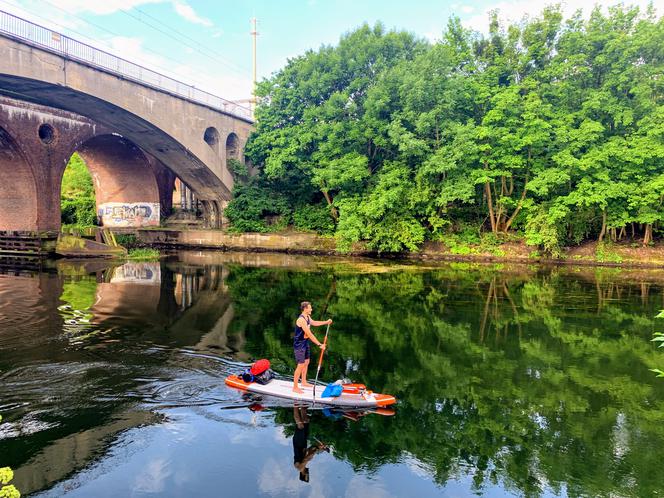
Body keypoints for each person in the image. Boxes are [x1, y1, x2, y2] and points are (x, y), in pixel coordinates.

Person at [293, 301, 332, 393]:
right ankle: (295, 387)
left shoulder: (307, 317)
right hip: (299, 345)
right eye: (310, 308)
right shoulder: (301, 320)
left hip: (305, 343)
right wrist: (319, 344)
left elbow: (314, 322)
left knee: (307, 362)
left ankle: (303, 381)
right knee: (300, 365)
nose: (311, 309)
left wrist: (326, 322)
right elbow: (309, 334)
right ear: (305, 309)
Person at [293, 405, 328, 483]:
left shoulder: (299, 468)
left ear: (303, 475)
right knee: (306, 422)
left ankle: (295, 405)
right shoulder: (303, 466)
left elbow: (307, 458)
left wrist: (316, 450)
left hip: (298, 443)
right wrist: (318, 447)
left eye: (307, 476)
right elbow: (309, 450)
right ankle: (303, 408)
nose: (308, 474)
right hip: (303, 443)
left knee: (300, 425)